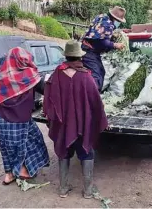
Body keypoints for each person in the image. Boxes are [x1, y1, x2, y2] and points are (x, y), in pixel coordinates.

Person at [43, 40, 108, 199]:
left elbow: (48, 98)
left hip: (62, 123)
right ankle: (87, 190)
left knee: (64, 151)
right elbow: (95, 102)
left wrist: (51, 116)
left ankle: (63, 189)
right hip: (82, 123)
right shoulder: (86, 76)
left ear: (66, 56)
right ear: (80, 57)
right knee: (86, 151)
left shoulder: (56, 73)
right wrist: (102, 119)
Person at [0, 47, 50, 185]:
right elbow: (45, 89)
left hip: (1, 116)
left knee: (7, 146)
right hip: (19, 117)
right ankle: (22, 171)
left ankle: (9, 174)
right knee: (29, 142)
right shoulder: (28, 75)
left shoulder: (1, 73)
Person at [81, 6, 127, 90]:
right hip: (89, 51)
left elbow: (97, 33)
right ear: (115, 19)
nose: (119, 23)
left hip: (87, 48)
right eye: (119, 21)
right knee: (97, 76)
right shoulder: (108, 24)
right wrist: (115, 45)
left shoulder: (101, 17)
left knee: (101, 71)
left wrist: (111, 35)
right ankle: (91, 96)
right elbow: (103, 42)